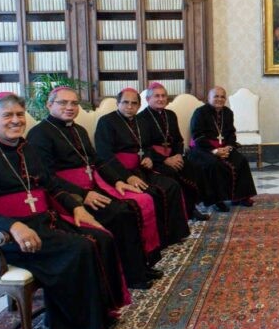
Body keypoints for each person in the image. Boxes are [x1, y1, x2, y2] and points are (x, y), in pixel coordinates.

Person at [0, 93, 125, 329]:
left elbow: (51, 184)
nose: (15, 121)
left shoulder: (27, 149)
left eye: (19, 115)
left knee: (102, 237)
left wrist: (75, 206)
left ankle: (99, 315)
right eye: (8, 115)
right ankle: (72, 328)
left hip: (42, 223)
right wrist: (12, 225)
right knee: (80, 247)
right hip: (4, 238)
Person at [29, 87, 163, 290]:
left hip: (92, 186)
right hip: (67, 196)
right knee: (119, 214)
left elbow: (97, 161)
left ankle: (136, 268)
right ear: (49, 105)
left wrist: (117, 180)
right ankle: (130, 275)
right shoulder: (39, 134)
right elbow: (47, 177)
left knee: (128, 209)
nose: (70, 107)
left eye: (74, 103)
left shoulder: (78, 130)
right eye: (63, 103)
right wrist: (82, 194)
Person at [94, 88, 192, 245]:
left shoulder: (141, 121)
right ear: (118, 103)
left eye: (134, 103)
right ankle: (158, 239)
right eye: (125, 102)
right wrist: (126, 177)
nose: (129, 106)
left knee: (171, 185)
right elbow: (105, 155)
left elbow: (146, 146)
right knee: (153, 193)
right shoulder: (106, 122)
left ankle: (174, 234)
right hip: (120, 172)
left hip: (141, 169)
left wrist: (147, 156)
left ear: (139, 105)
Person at [138, 83, 211, 222]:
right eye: (156, 96)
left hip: (173, 156)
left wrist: (177, 155)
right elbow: (144, 146)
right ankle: (180, 213)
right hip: (155, 160)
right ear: (148, 99)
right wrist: (164, 160)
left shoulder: (170, 115)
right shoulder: (141, 118)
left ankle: (191, 208)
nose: (160, 99)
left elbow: (178, 139)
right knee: (172, 173)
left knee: (192, 167)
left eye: (163, 96)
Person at [187, 86, 258, 210]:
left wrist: (228, 148)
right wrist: (214, 151)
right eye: (216, 96)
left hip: (224, 147)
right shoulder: (200, 112)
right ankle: (217, 200)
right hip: (203, 149)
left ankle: (240, 197)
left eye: (222, 96)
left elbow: (231, 133)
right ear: (208, 98)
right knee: (214, 164)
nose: (219, 99)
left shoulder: (228, 112)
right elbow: (197, 135)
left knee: (241, 160)